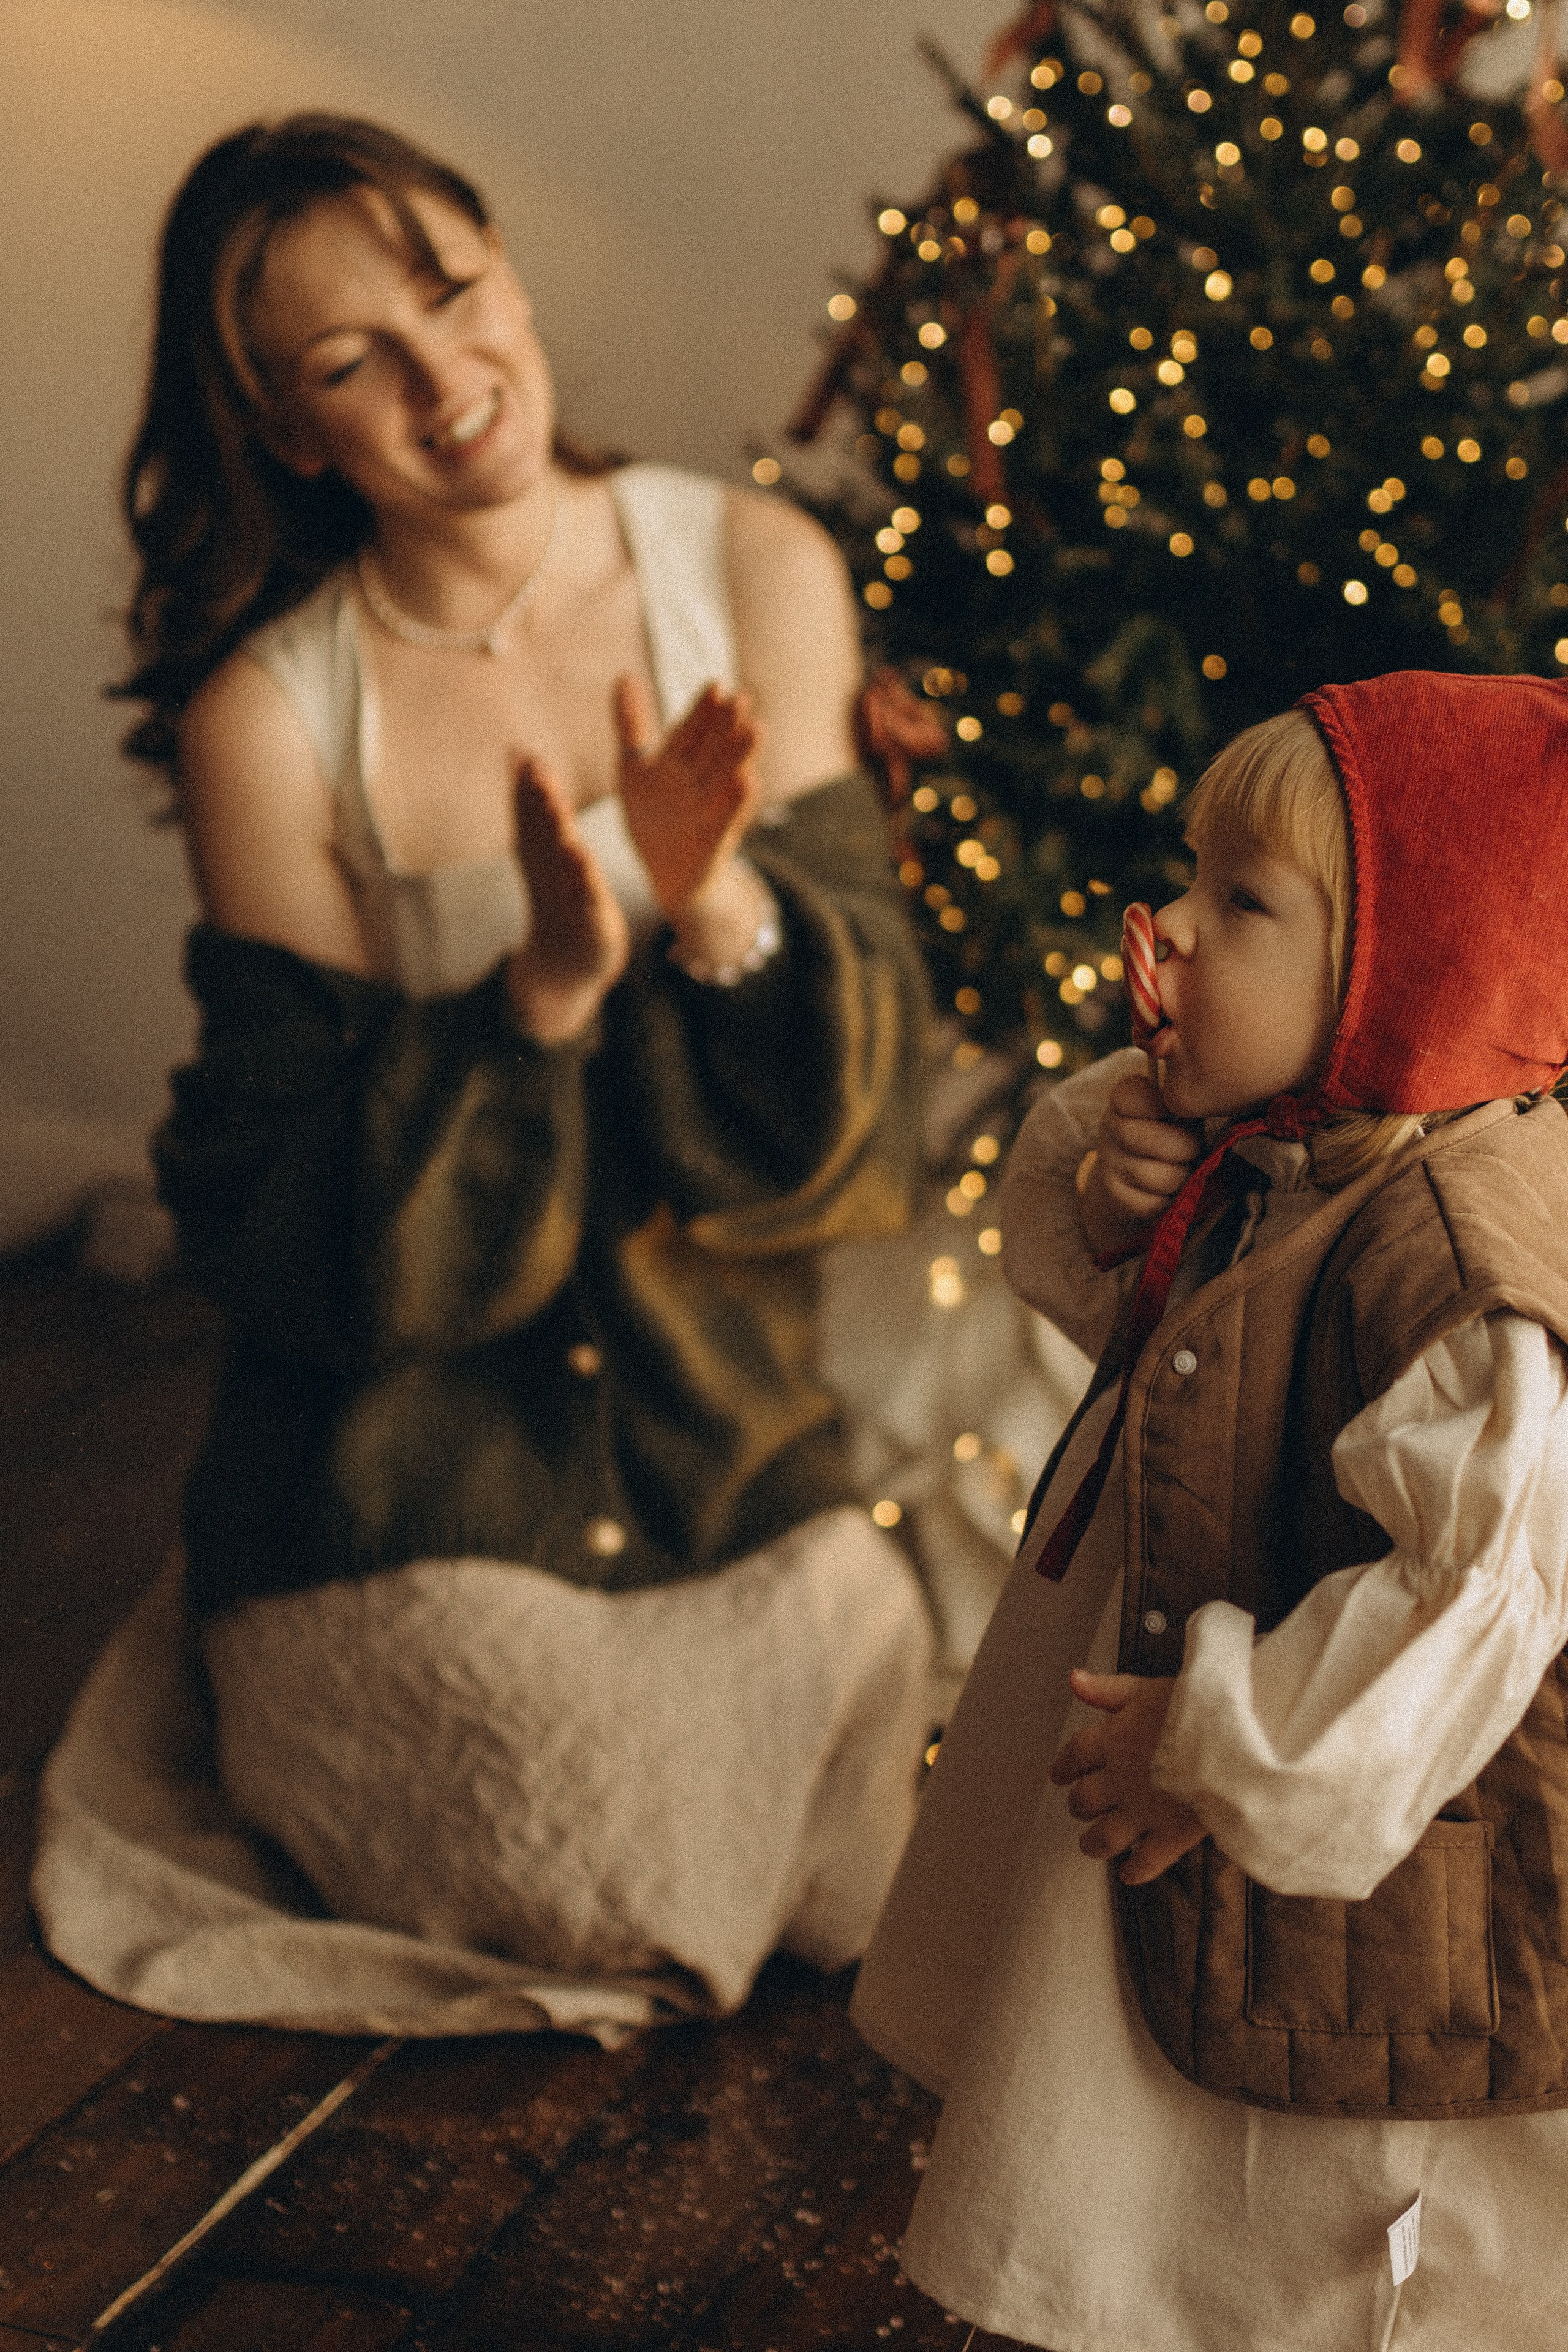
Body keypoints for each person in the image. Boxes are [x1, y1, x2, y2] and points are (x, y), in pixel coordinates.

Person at [29, 111, 957, 2041]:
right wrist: (532, 996)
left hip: (723, 1441)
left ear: (512, 274)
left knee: (875, 1839)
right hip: (404, 1477)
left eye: (452, 290)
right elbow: (302, 1255)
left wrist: (716, 906)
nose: (443, 375)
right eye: (348, 361)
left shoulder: (753, 570)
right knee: (585, 1837)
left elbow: (848, 1141)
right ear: (290, 435)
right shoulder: (268, 721)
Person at [851, 672, 1568, 2351]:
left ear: (1406, 972)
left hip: (1353, 1813)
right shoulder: (1312, 1144)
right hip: (1174, 1753)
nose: (1170, 924)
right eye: (1194, 874)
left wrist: (1226, 1735)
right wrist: (1120, 1193)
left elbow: (1479, 1583)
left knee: (1333, 2214)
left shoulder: (1448, 1248)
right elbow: (1179, 1354)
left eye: (1241, 901)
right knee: (1149, 2127)